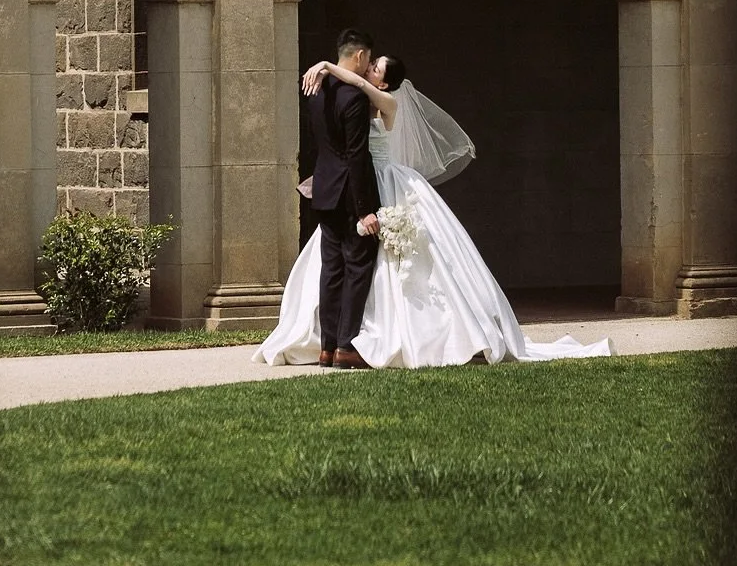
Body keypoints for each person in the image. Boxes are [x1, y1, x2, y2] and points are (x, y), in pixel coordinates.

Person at [255, 48, 612, 368]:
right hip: (357, 185)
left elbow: (358, 87)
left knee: (400, 257)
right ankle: (337, 339)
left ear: (386, 80)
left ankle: (384, 336)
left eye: (375, 67)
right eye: (371, 63)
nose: (369, 69)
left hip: (384, 182)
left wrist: (328, 66)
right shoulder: (356, 101)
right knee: (341, 259)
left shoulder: (385, 102)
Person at [303, 27, 382, 370]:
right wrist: (365, 211)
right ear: (361, 56)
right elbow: (357, 156)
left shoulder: (315, 90)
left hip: (323, 189)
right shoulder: (355, 97)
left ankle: (327, 346)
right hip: (350, 195)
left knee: (331, 270)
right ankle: (347, 347)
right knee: (357, 267)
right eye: (367, 61)